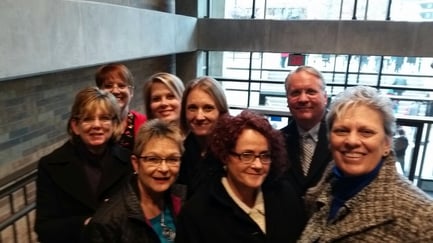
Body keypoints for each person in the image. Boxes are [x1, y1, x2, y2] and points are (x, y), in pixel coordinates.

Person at [299, 86, 433, 242]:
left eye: (366, 132)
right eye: (342, 130)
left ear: (387, 144)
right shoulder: (321, 194)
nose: (352, 141)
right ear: (330, 140)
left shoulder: (422, 217)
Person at [175, 110, 307, 243]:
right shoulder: (197, 213)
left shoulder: (285, 195)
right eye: (247, 155)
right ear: (225, 156)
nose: (258, 165)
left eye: (264, 155)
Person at [34, 87, 133, 243]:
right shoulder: (51, 165)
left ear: (114, 124)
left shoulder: (128, 161)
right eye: (87, 119)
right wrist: (87, 223)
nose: (96, 125)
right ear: (75, 126)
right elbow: (45, 228)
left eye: (105, 118)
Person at [83, 119, 185, 243]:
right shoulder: (107, 223)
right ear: (136, 163)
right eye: (153, 159)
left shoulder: (181, 199)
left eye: (172, 159)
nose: (164, 168)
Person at [281, 66, 332, 197]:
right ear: (287, 99)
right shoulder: (276, 140)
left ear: (325, 97)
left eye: (311, 92)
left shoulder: (341, 138)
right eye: (295, 93)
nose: (303, 99)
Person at [177, 76, 229, 198]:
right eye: (192, 108)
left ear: (221, 111)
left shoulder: (232, 152)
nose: (199, 116)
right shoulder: (181, 152)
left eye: (208, 108)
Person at [95, 63, 147, 150]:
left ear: (131, 92)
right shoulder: (94, 125)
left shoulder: (144, 123)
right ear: (99, 92)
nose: (115, 91)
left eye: (122, 85)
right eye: (108, 86)